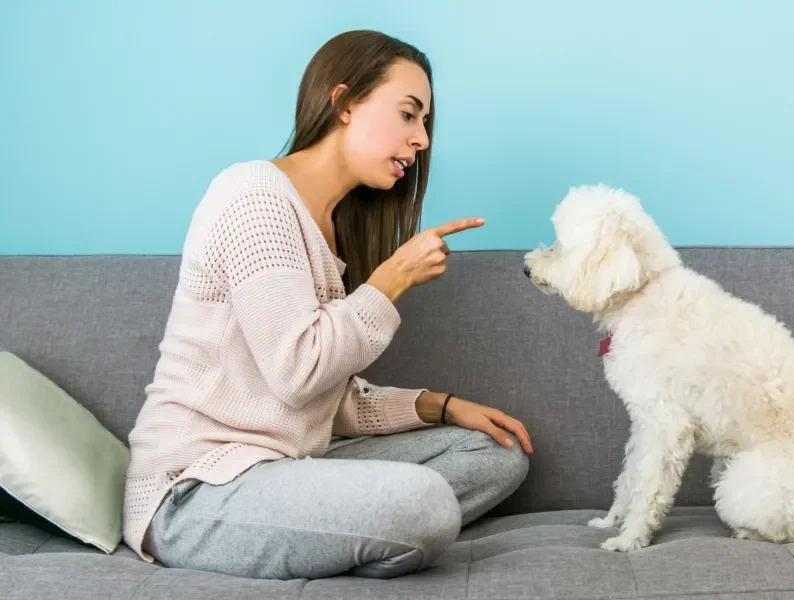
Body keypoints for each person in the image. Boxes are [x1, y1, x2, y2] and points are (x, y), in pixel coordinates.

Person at [122, 29, 532, 580]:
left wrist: (439, 405)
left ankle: (341, 539)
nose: (422, 140)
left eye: (426, 123)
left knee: (495, 454)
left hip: (287, 464)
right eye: (409, 114)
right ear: (343, 103)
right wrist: (390, 281)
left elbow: (318, 403)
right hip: (195, 489)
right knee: (424, 505)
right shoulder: (254, 195)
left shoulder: (330, 229)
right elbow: (298, 372)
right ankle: (362, 535)